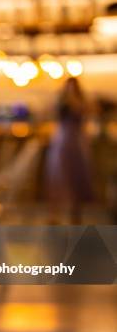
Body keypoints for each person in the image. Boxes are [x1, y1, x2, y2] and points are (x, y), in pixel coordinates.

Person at [46, 77, 94, 224]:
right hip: (60, 140)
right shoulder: (61, 101)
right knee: (57, 175)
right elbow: (50, 113)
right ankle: (54, 214)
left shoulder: (81, 102)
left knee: (75, 176)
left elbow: (85, 113)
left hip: (75, 141)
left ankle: (75, 213)